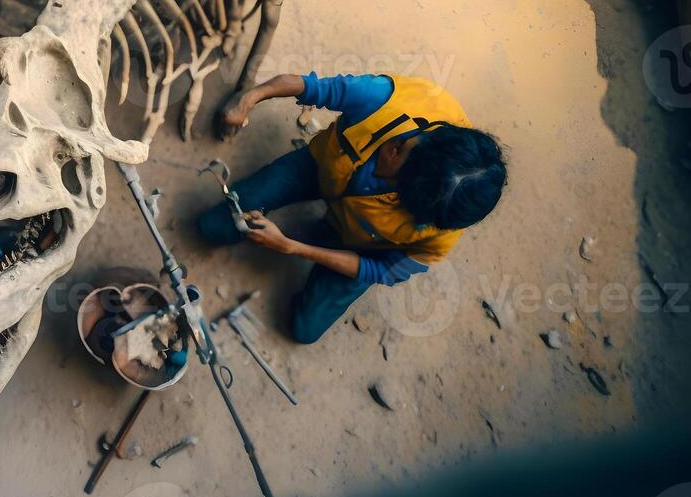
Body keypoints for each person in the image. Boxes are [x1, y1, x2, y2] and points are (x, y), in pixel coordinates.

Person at [198, 72, 507, 343]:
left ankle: (325, 238)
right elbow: (309, 85)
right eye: (400, 194)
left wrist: (293, 247)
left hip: (361, 243)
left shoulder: (441, 226)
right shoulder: (385, 100)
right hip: (321, 170)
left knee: (304, 330)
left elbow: (384, 271)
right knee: (211, 228)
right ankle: (316, 222)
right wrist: (249, 98)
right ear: (394, 150)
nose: (397, 204)